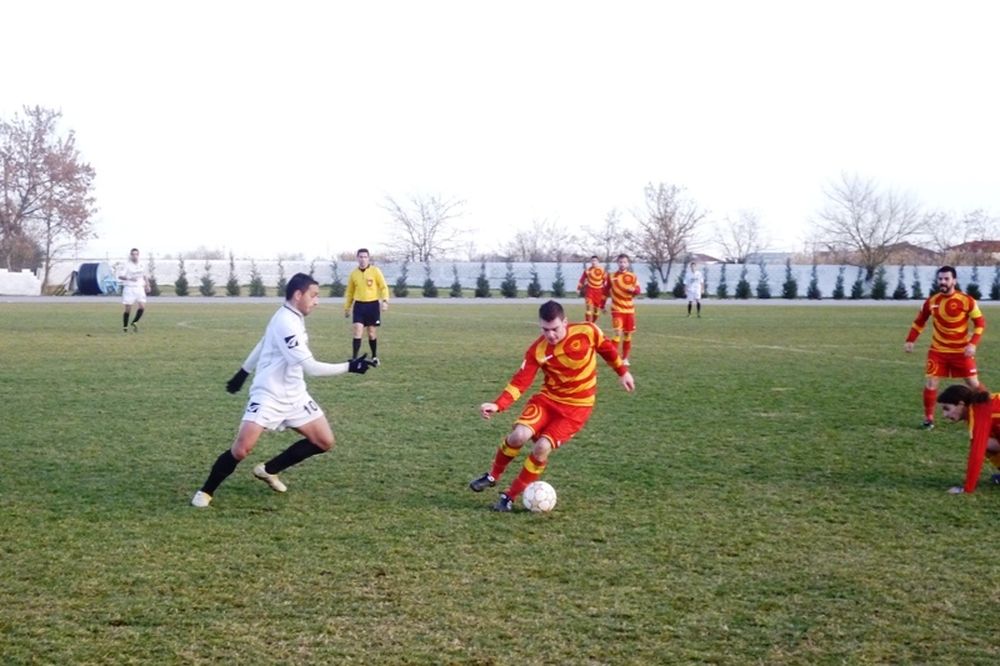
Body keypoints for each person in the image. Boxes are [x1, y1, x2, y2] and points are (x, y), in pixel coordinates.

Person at [191, 273, 376, 508]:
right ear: (298, 295)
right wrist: (350, 366)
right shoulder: (285, 322)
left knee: (324, 441)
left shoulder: (293, 317)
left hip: (295, 394)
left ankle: (268, 470)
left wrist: (243, 372)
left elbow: (263, 342)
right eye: (313, 295)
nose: (316, 301)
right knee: (241, 449)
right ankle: (206, 492)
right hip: (268, 394)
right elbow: (312, 368)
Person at [469, 300, 635, 511]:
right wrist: (498, 404)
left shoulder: (588, 331)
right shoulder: (537, 350)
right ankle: (492, 476)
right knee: (518, 435)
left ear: (565, 322)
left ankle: (508, 498)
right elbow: (521, 381)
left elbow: (607, 349)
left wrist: (623, 372)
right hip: (548, 400)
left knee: (542, 448)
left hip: (577, 407)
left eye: (555, 329)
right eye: (545, 330)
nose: (551, 335)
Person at [904, 265, 985, 429]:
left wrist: (973, 343)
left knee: (974, 384)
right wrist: (910, 340)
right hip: (938, 352)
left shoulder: (967, 300)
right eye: (940, 279)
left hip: (961, 352)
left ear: (954, 280)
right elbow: (919, 322)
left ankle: (988, 411)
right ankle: (929, 419)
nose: (943, 282)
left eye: (946, 279)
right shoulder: (931, 302)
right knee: (931, 384)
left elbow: (980, 323)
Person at [937, 384, 1000, 494]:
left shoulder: (978, 412)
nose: (944, 414)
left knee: (981, 444)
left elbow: (977, 454)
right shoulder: (977, 408)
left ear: (961, 404)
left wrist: (967, 488)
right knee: (988, 443)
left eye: (947, 408)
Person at [344, 248, 389, 365]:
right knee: (357, 330)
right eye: (360, 257)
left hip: (372, 305)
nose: (363, 259)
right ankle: (354, 359)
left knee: (371, 333)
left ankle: (374, 356)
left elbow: (383, 287)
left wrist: (385, 301)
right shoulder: (354, 274)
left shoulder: (375, 271)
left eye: (365, 257)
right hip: (359, 305)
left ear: (368, 258)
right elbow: (350, 292)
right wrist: (347, 307)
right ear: (357, 258)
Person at [608, 253, 641, 366]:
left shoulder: (633, 276)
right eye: (620, 262)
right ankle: (613, 358)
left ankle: (625, 358)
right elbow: (605, 290)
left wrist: (634, 290)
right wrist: (601, 304)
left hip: (629, 310)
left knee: (627, 335)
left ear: (628, 263)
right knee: (617, 332)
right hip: (616, 309)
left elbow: (638, 290)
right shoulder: (611, 276)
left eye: (625, 262)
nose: (622, 264)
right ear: (617, 263)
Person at [117, 248, 149, 332]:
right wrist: (130, 278)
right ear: (131, 255)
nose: (135, 256)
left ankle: (135, 322)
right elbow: (120, 276)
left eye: (136, 254)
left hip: (139, 288)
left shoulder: (142, 264)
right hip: (129, 288)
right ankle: (125, 327)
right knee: (128, 308)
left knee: (142, 306)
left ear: (138, 255)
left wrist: (147, 285)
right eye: (133, 254)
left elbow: (145, 275)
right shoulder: (126, 265)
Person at [577, 255, 609, 323]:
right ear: (590, 262)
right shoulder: (587, 270)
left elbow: (605, 281)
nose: (593, 262)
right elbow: (582, 279)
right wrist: (578, 288)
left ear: (598, 262)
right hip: (590, 290)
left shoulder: (602, 270)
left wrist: (606, 290)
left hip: (599, 291)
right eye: (592, 261)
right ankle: (587, 322)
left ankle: (593, 323)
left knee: (596, 309)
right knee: (588, 307)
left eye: (595, 261)